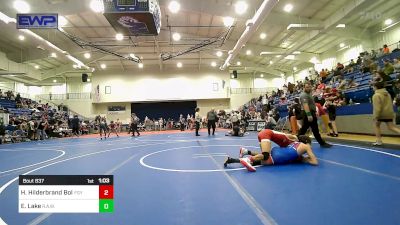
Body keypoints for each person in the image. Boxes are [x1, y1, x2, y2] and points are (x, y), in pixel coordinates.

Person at [224, 131, 317, 172]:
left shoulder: (294, 143)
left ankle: (232, 159)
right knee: (264, 157)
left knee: (264, 156)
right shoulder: (305, 146)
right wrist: (308, 159)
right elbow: (314, 162)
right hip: (279, 155)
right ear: (307, 142)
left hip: (277, 150)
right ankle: (249, 159)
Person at [298, 82, 332, 148]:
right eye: (307, 87)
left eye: (309, 87)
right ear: (304, 88)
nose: (308, 88)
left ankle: (322, 143)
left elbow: (311, 105)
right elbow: (305, 105)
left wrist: (314, 112)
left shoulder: (309, 94)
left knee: (310, 129)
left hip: (311, 113)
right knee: (307, 129)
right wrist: (309, 115)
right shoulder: (304, 95)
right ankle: (322, 143)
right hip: (307, 113)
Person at [371, 77, 400, 146]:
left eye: (373, 86)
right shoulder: (387, 94)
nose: (372, 88)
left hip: (381, 114)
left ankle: (379, 141)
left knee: (376, 125)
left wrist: (375, 116)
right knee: (392, 127)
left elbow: (377, 108)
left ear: (376, 87)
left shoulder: (376, 95)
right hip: (389, 113)